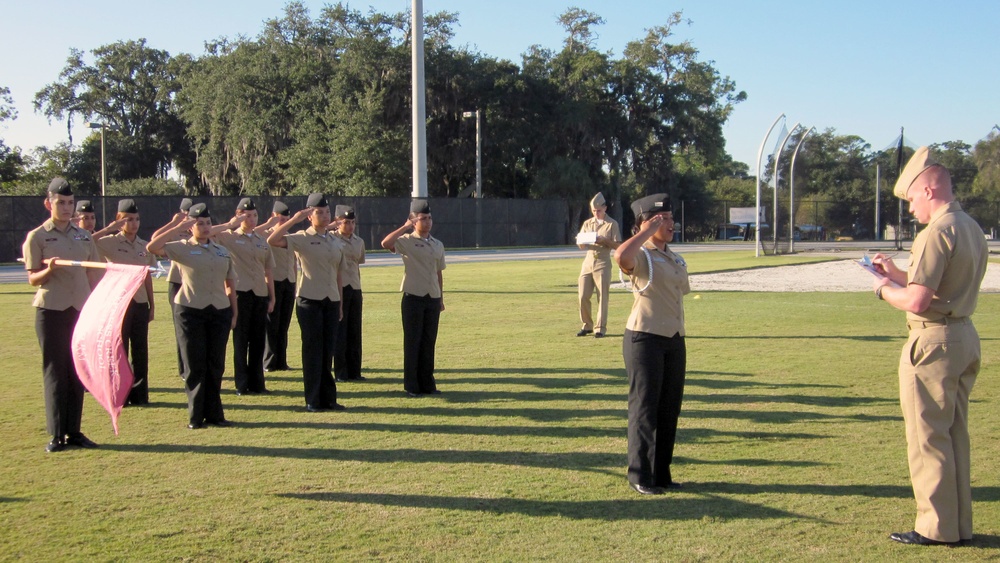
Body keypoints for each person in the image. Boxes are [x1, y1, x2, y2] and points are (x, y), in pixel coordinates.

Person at [872, 146, 987, 546]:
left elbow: (919, 301)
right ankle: (959, 525)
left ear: (928, 189)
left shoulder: (935, 232)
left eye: (911, 199)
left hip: (933, 340)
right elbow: (937, 285)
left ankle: (935, 527)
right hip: (963, 336)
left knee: (927, 437)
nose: (911, 209)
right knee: (954, 435)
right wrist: (898, 274)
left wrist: (884, 289)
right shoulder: (968, 226)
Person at [613, 193, 688, 495]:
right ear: (646, 223)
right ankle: (640, 475)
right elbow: (621, 257)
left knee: (669, 408)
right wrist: (645, 231)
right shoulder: (642, 254)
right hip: (644, 339)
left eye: (670, 218)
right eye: (662, 219)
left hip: (673, 338)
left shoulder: (671, 255)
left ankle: (661, 474)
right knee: (645, 409)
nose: (670, 223)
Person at [23, 178, 103, 452]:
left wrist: (98, 303)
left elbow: (93, 272)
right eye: (61, 203)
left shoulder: (83, 236)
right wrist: (50, 269)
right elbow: (33, 279)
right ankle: (57, 434)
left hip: (79, 310)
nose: (67, 208)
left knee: (77, 372)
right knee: (56, 372)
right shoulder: (38, 236)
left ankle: (74, 431)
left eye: (70, 203)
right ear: (49, 204)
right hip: (52, 310)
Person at [148, 203, 237, 429]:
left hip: (219, 310)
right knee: (195, 364)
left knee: (215, 364)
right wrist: (178, 225)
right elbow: (153, 247)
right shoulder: (181, 248)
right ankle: (196, 416)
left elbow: (230, 284)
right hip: (190, 311)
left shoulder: (221, 250)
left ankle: (215, 414)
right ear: (191, 227)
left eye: (208, 223)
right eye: (199, 223)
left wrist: (233, 311)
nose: (205, 227)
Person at [267, 194, 347, 412]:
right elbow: (272, 240)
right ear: (310, 216)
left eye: (327, 212)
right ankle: (313, 399)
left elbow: (338, 273)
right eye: (319, 212)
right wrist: (293, 220)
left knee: (327, 351)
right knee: (313, 351)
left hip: (331, 300)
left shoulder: (334, 240)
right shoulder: (301, 237)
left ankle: (328, 398)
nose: (324, 215)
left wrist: (339, 302)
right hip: (309, 300)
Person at [92, 199, 156, 406]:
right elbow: (85, 242)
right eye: (128, 219)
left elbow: (146, 276)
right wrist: (108, 229)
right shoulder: (109, 242)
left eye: (136, 219)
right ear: (119, 220)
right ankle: (119, 393)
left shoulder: (144, 246)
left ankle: (140, 395)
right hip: (119, 303)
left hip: (139, 302)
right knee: (119, 350)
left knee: (140, 351)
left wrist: (152, 304)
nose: (134, 223)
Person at [381, 199, 446, 397]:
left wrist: (441, 298)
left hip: (432, 297)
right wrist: (405, 226)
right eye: (422, 219)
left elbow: (439, 272)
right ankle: (412, 385)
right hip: (413, 297)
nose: (427, 222)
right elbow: (386, 243)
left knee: (428, 342)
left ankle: (428, 383)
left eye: (429, 218)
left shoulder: (437, 244)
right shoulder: (406, 241)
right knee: (413, 342)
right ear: (413, 220)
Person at [213, 198, 276, 395]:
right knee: (241, 340)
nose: (252, 219)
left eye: (254, 215)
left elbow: (268, 271)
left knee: (258, 340)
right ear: (239, 215)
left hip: (259, 294)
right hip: (239, 293)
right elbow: (210, 233)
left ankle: (258, 383)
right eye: (247, 216)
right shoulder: (228, 237)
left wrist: (272, 297)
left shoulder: (261, 241)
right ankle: (241, 383)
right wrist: (231, 224)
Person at [152, 198, 194, 378]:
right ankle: (184, 368)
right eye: (185, 213)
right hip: (177, 282)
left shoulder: (199, 231)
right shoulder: (174, 233)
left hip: (196, 284)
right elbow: (154, 241)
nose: (188, 217)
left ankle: (196, 366)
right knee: (182, 329)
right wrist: (174, 224)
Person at [576, 192, 621, 338]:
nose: (596, 213)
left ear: (605, 208)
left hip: (603, 261)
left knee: (602, 296)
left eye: (599, 210)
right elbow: (581, 244)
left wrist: (604, 241)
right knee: (583, 295)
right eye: (594, 211)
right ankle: (586, 325)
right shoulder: (588, 223)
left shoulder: (612, 224)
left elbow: (618, 246)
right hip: (588, 261)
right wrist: (582, 241)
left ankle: (600, 327)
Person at [258, 201, 296, 372]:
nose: (285, 223)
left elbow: (293, 262)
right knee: (272, 324)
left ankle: (282, 361)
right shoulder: (265, 235)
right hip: (274, 282)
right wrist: (269, 225)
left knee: (284, 324)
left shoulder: (289, 237)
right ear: (273, 217)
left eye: (287, 219)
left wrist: (295, 283)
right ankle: (269, 361)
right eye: (281, 219)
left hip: (289, 282)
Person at [334, 204, 366, 382]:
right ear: (337, 222)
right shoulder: (331, 238)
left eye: (352, 222)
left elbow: (358, 263)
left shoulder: (358, 241)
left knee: (355, 330)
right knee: (341, 331)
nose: (350, 226)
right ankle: (341, 371)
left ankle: (355, 370)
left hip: (354, 287)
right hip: (339, 287)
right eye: (346, 222)